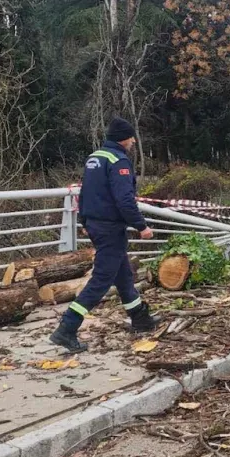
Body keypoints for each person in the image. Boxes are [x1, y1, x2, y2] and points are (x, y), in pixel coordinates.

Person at [50, 118, 156, 353]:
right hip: (110, 228)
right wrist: (142, 226)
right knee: (101, 280)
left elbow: (84, 193)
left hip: (97, 224)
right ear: (124, 138)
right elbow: (125, 200)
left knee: (123, 274)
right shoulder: (119, 161)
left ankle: (140, 319)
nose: (133, 141)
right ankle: (66, 329)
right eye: (131, 137)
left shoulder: (95, 158)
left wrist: (84, 221)